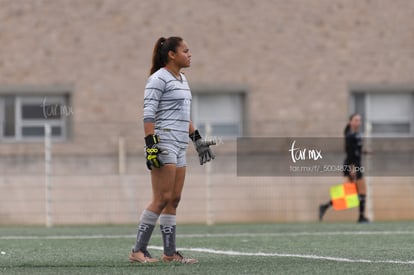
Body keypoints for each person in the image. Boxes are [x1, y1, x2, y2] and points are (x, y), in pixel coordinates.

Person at [129, 36, 216, 264]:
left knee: (174, 199)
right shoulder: (158, 79)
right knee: (161, 198)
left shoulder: (182, 79)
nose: (190, 54)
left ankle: (169, 254)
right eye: (186, 51)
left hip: (179, 144)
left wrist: (197, 140)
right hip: (164, 141)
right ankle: (138, 251)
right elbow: (148, 113)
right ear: (171, 54)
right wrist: (151, 146)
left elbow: (183, 116)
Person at [319, 113, 369, 223]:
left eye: (359, 120)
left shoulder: (357, 134)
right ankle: (361, 217)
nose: (358, 122)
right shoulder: (350, 136)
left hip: (355, 164)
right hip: (353, 165)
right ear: (350, 122)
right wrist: (352, 168)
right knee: (357, 191)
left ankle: (325, 207)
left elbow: (356, 151)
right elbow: (350, 153)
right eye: (356, 120)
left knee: (352, 191)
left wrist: (365, 152)